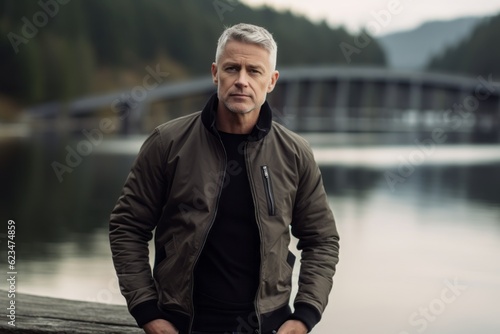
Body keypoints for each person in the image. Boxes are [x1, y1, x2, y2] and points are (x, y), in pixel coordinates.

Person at [109, 23, 339, 334]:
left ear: (271, 81)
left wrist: (305, 315)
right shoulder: (168, 143)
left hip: (266, 325)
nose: (242, 81)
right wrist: (147, 311)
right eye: (233, 68)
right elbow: (127, 227)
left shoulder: (295, 153)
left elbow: (321, 240)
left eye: (254, 71)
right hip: (182, 324)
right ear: (216, 73)